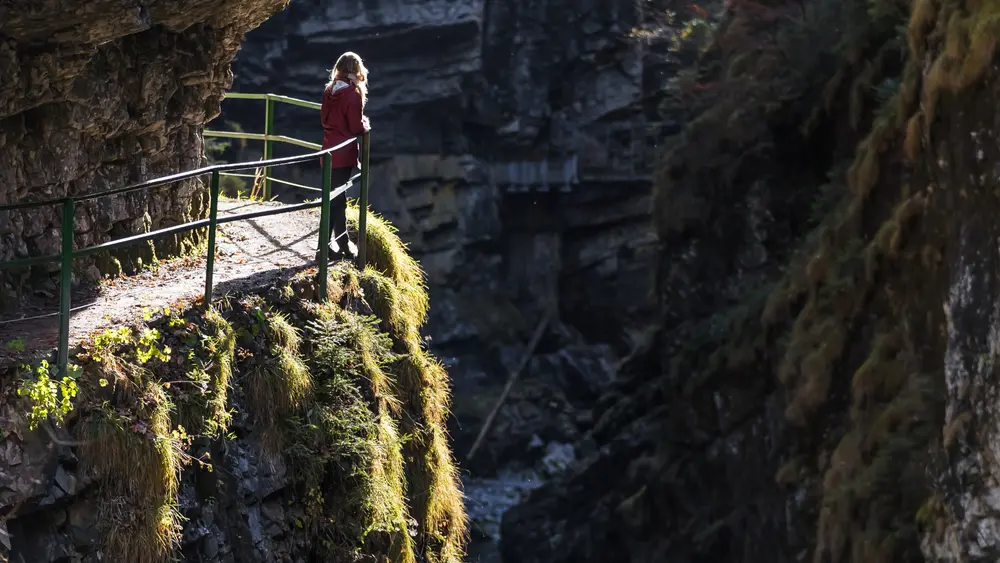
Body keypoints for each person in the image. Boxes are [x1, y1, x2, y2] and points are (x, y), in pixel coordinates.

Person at [320, 51, 371, 260]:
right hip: (343, 152)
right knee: (336, 200)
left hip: (328, 150)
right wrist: (365, 125)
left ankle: (339, 244)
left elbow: (324, 120)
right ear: (355, 70)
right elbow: (356, 127)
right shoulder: (352, 95)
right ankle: (326, 247)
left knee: (336, 198)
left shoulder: (329, 90)